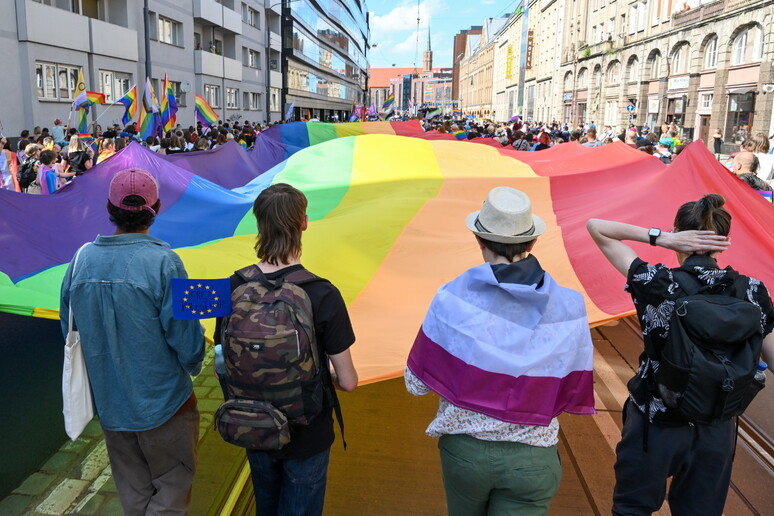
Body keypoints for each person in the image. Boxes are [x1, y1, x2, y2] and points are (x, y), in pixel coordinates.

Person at [406, 187, 595, 516]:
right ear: (532, 242)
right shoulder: (570, 306)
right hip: (532, 459)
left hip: (465, 454)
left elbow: (416, 384)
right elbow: (570, 385)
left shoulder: (452, 298)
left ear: (479, 240)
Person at [586, 194, 774, 516]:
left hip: (656, 422)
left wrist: (660, 237)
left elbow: (597, 228)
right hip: (717, 426)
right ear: (724, 241)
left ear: (678, 233)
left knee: (632, 508)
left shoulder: (657, 282)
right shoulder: (753, 291)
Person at [60, 168, 205, 515]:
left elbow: (69, 331)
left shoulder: (79, 261)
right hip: (166, 405)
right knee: (170, 494)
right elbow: (186, 340)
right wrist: (195, 363)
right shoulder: (166, 262)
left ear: (110, 209)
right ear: (155, 207)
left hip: (112, 407)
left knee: (133, 495)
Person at [214, 183, 358, 516]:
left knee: (266, 503)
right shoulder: (323, 293)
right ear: (303, 223)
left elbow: (222, 357)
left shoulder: (230, 286)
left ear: (259, 224)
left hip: (252, 425)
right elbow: (349, 382)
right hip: (307, 434)